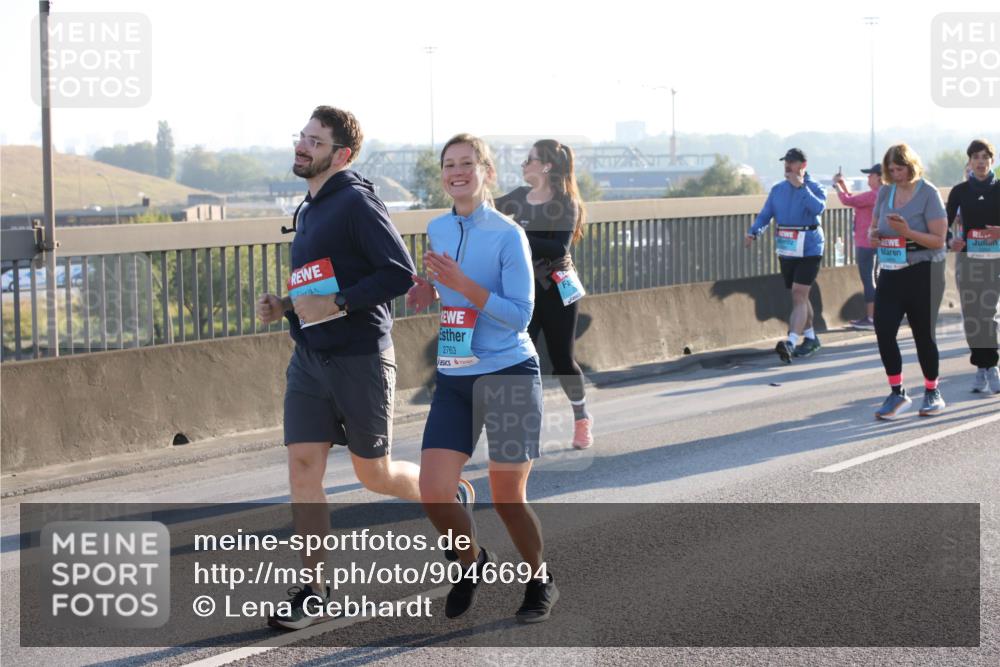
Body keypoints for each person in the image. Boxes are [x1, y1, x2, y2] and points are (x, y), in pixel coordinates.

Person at [256, 106, 438, 630]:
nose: (302, 146)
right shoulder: (309, 207)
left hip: (360, 356)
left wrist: (338, 303)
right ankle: (315, 589)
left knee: (374, 474)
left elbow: (399, 273)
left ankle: (445, 494)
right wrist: (285, 307)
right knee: (302, 469)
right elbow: (319, 284)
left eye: (315, 141)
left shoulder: (357, 202)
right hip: (309, 357)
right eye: (302, 136)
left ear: (342, 155)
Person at [407, 133, 558, 623]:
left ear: (486, 172)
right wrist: (430, 290)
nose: (457, 172)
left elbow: (519, 315)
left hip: (510, 372)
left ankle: (539, 579)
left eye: (467, 163)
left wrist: (460, 284)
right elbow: (449, 289)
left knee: (508, 498)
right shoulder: (437, 227)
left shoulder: (508, 234)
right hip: (456, 372)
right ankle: (471, 562)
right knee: (434, 491)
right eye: (449, 165)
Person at [495, 140, 593, 450]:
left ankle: (581, 418)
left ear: (546, 166)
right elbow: (484, 211)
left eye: (530, 160)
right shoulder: (516, 198)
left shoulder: (566, 203)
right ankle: (523, 429)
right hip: (523, 289)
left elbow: (558, 249)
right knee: (523, 358)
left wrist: (517, 233)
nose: (524, 165)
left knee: (562, 359)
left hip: (557, 289)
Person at [868, 143, 949, 419]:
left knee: (923, 334)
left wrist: (908, 232)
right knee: (883, 329)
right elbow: (874, 226)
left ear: (911, 166)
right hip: (891, 270)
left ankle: (932, 390)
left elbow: (939, 240)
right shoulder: (885, 192)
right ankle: (897, 392)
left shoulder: (928, 193)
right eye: (891, 169)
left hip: (923, 271)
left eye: (899, 168)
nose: (895, 174)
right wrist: (873, 235)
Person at [744, 148, 827, 362]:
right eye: (786, 162)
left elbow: (818, 209)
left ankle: (790, 342)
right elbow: (766, 214)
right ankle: (811, 338)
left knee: (799, 293)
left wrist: (800, 187)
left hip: (810, 248)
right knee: (800, 296)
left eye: (792, 162)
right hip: (788, 249)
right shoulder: (778, 189)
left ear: (803, 165)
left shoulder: (815, 187)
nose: (787, 166)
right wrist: (754, 232)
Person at [946, 138, 1000, 394]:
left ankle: (992, 366)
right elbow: (942, 224)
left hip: (995, 261)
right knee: (971, 315)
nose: (980, 162)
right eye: (975, 157)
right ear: (969, 162)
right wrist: (950, 241)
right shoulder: (959, 191)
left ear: (992, 161)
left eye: (985, 157)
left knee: (988, 313)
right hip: (968, 260)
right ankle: (981, 366)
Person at [833, 163, 883, 329]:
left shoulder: (872, 195)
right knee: (876, 278)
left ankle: (871, 318)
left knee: (868, 280)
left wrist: (836, 185)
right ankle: (877, 315)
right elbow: (855, 201)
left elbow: (848, 200)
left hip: (865, 242)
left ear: (879, 177)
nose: (868, 177)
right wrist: (843, 185)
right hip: (878, 241)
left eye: (871, 175)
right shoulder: (884, 195)